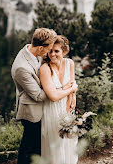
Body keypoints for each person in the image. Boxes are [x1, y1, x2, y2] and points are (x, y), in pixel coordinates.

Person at [11, 28, 77, 164]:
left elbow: (66, 73)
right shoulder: (21, 67)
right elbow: (39, 96)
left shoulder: (37, 52)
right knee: (29, 148)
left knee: (42, 146)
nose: (50, 53)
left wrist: (73, 94)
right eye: (49, 49)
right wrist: (65, 89)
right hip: (32, 110)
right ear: (41, 48)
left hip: (49, 107)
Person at [40, 35, 78, 164]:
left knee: (69, 143)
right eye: (50, 50)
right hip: (52, 110)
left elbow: (72, 84)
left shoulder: (70, 63)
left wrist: (72, 97)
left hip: (67, 108)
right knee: (55, 146)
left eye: (56, 51)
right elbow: (53, 96)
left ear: (64, 51)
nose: (52, 54)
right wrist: (71, 90)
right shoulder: (45, 69)